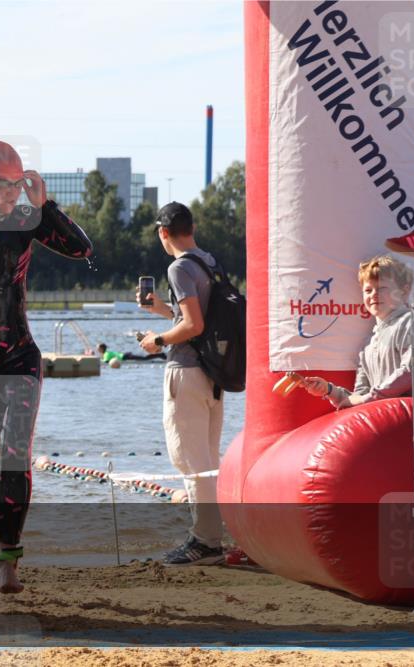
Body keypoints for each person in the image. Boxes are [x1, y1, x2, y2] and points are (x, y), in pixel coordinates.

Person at [0, 140, 93, 594]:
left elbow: (81, 248)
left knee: (16, 452)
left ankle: (9, 560)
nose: (11, 193)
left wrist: (44, 207)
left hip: (18, 352)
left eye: (16, 183)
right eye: (2, 184)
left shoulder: (27, 221)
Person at [137, 202, 225, 566]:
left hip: (185, 372)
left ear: (163, 233)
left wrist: (157, 341)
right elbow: (199, 316)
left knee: (190, 461)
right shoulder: (208, 261)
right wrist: (160, 308)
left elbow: (193, 326)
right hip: (212, 374)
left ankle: (205, 542)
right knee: (206, 458)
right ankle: (212, 536)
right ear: (192, 227)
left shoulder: (178, 267)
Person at [300, 256, 414, 409]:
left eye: (381, 288)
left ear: (404, 291)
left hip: (413, 423)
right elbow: (359, 397)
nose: (373, 294)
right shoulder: (367, 344)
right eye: (368, 290)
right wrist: (329, 390)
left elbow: (411, 371)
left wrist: (369, 398)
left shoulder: (411, 322)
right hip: (382, 423)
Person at [97, 342, 166, 368]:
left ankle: (160, 355)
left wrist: (97, 361)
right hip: (126, 355)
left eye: (98, 348)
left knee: (144, 358)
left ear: (102, 349)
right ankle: (159, 355)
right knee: (144, 357)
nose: (97, 349)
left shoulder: (106, 354)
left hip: (126, 356)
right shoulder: (106, 353)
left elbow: (105, 362)